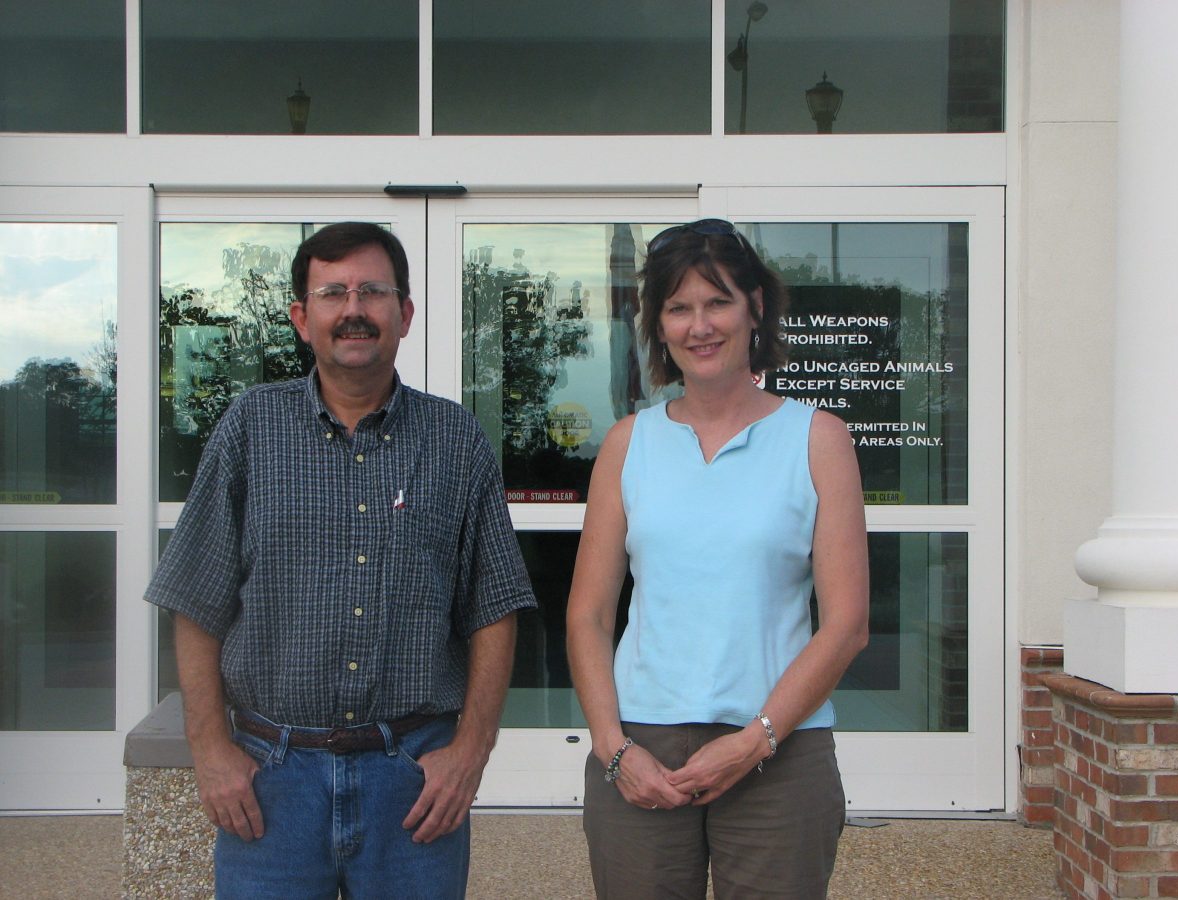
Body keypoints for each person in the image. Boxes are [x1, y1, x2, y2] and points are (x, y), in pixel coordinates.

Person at [146, 222, 537, 899]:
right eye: (333, 293)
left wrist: (471, 752)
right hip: (271, 781)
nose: (354, 309)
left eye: (373, 291)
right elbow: (194, 599)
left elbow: (494, 608)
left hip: (412, 786)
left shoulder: (457, 440)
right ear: (303, 317)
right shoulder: (249, 428)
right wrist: (211, 751)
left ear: (404, 313)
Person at [566, 219, 869, 898]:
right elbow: (587, 616)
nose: (699, 325)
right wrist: (612, 747)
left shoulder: (817, 439)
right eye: (678, 308)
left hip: (778, 750)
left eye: (717, 301)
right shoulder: (628, 443)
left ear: (755, 306)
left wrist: (755, 740)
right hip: (640, 751)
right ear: (659, 325)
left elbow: (847, 623)